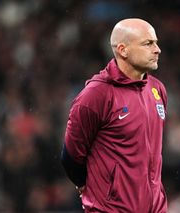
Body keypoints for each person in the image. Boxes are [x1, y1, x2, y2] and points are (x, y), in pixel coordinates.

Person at [61, 18, 168, 213]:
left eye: (156, 42)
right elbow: (71, 156)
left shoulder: (157, 90)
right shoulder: (96, 94)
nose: (157, 49)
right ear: (122, 50)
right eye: (148, 43)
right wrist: (90, 186)